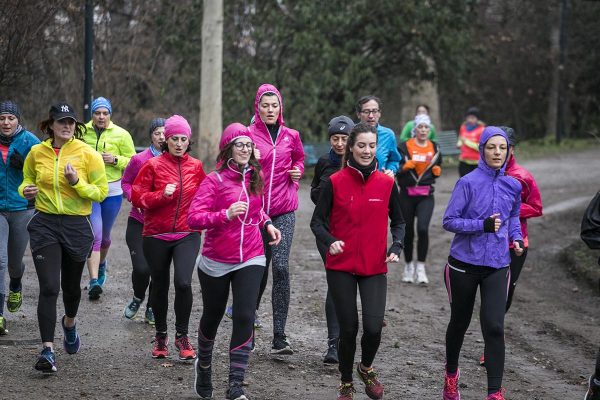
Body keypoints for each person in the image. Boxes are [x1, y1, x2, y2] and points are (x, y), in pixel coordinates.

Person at [311, 122, 405, 400]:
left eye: (372, 146)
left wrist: (396, 245)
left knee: (374, 327)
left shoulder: (387, 183)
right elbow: (317, 223)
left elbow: (399, 221)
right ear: (351, 147)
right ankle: (345, 381)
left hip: (374, 265)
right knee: (349, 328)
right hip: (340, 265)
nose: (367, 151)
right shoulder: (334, 182)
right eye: (361, 145)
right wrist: (330, 241)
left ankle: (365, 367)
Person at [188, 122, 282, 400]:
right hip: (216, 259)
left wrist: (267, 224)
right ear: (228, 148)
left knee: (244, 315)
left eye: (249, 144)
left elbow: (259, 209)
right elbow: (194, 218)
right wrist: (224, 214)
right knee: (213, 316)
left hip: (251, 255)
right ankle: (204, 365)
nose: (245, 149)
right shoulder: (214, 181)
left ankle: (235, 385)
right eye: (239, 144)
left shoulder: (256, 176)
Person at [18, 102, 108, 372]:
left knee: (70, 288)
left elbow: (100, 192)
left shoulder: (87, 154)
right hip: (45, 223)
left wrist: (76, 183)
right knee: (48, 287)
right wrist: (27, 190)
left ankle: (69, 322)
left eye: (71, 122)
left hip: (77, 224)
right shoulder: (36, 152)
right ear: (51, 125)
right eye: (62, 122)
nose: (67, 126)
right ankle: (47, 350)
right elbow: (26, 179)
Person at [441, 126, 524, 400]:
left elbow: (513, 217)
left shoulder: (513, 185)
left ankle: (494, 392)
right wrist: (482, 225)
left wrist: (516, 238)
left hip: (498, 265)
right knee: (460, 322)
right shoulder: (467, 182)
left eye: (502, 148)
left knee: (495, 326)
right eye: (491, 147)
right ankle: (451, 375)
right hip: (463, 265)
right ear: (482, 150)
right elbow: (449, 221)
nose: (497, 152)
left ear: (508, 151)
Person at [131, 115, 206, 360]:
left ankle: (182, 336)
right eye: (174, 138)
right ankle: (161, 335)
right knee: (160, 285)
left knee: (183, 282)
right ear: (166, 140)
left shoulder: (195, 166)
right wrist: (161, 195)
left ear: (188, 141)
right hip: (156, 233)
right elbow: (137, 196)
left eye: (183, 139)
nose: (179, 143)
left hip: (187, 232)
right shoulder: (152, 165)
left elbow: (208, 195)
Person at [248, 83, 304, 354]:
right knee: (257, 269)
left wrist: (297, 171)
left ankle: (279, 336)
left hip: (284, 210)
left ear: (280, 108)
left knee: (281, 268)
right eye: (265, 105)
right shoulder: (247, 135)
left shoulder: (291, 135)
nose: (270, 110)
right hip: (256, 214)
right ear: (257, 108)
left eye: (274, 105)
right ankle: (248, 325)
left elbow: (300, 160)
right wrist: (250, 162)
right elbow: (234, 167)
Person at [310, 115, 354, 364]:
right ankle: (333, 344)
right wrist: (324, 195)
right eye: (335, 139)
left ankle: (349, 336)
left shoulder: (361, 161)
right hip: (327, 232)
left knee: (349, 283)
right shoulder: (325, 161)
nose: (339, 143)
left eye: (344, 138)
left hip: (352, 232)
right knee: (335, 282)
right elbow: (314, 191)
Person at [82, 96, 136, 300]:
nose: (101, 117)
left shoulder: (121, 134)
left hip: (113, 191)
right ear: (92, 115)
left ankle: (102, 264)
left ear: (110, 115)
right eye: (97, 113)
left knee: (104, 237)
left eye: (105, 113)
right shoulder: (82, 132)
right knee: (94, 235)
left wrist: (115, 159)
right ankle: (94, 280)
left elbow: (134, 161)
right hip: (90, 189)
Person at [0, 101, 40, 335]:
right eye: (2, 118)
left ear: (18, 120)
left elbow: (45, 170)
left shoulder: (30, 141)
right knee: (0, 261)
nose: (6, 122)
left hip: (21, 208)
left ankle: (16, 283)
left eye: (10, 118)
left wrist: (25, 163)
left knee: (14, 262)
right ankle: (0, 314)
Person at [121, 118, 166, 325]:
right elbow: (126, 182)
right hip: (138, 222)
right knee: (142, 268)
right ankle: (138, 297)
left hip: (161, 225)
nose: (162, 137)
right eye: (157, 133)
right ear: (151, 136)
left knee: (158, 270)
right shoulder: (139, 159)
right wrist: (134, 198)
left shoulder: (174, 161)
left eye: (165, 133)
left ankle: (151, 307)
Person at [396, 114, 442, 285]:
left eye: (426, 127)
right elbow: (395, 169)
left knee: (422, 229)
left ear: (429, 130)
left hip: (426, 196)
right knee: (408, 231)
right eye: (420, 127)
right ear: (414, 129)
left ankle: (421, 268)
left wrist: (437, 170)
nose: (423, 130)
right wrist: (403, 168)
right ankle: (408, 266)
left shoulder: (435, 147)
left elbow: (438, 165)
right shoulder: (404, 147)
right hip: (406, 195)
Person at [355, 95, 401, 178]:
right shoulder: (351, 132)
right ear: (358, 114)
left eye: (375, 111)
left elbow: (394, 160)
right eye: (366, 111)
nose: (371, 116)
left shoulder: (388, 135)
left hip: (379, 183)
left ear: (379, 113)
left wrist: (391, 170)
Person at [456, 107, 485, 177]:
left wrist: (466, 142)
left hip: (476, 163)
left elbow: (481, 147)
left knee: (476, 185)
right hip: (463, 161)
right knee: (464, 183)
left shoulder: (482, 129)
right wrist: (458, 144)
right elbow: (461, 139)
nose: (470, 120)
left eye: (472, 118)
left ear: (477, 119)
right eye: (468, 117)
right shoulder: (463, 127)